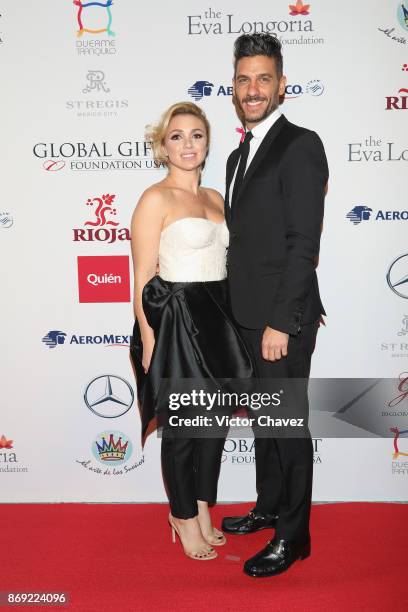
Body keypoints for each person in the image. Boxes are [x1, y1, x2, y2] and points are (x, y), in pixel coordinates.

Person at [221, 33, 329, 577]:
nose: (253, 88)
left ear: (282, 85)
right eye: (244, 79)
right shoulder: (238, 155)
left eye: (264, 78)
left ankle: (294, 536)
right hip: (246, 316)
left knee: (287, 425)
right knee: (266, 422)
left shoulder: (300, 144)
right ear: (233, 88)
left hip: (278, 322)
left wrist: (281, 322)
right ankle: (268, 506)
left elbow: (302, 244)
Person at [130, 102, 252, 561]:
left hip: (219, 318)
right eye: (177, 136)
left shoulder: (217, 199)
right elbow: (142, 276)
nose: (187, 144)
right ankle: (181, 514)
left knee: (214, 426)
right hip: (177, 324)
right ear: (164, 145)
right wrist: (149, 340)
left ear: (207, 142)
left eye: (196, 135)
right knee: (183, 430)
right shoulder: (155, 198)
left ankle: (202, 505)